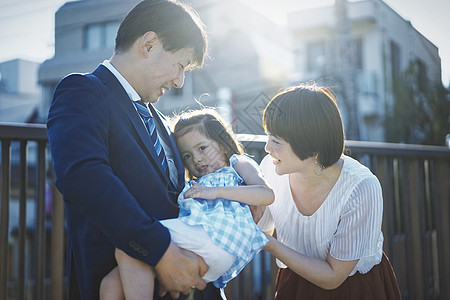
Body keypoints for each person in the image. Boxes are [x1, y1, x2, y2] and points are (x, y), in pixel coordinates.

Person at [46, 0, 219, 298]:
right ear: (149, 44)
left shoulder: (164, 122)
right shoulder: (82, 91)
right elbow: (83, 176)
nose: (179, 81)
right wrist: (160, 251)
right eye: (180, 64)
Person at [99, 108, 273, 300]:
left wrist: (214, 192)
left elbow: (266, 194)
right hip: (202, 248)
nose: (196, 159)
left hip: (217, 237)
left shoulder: (236, 164)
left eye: (202, 148)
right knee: (111, 285)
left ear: (222, 145)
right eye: (187, 156)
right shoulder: (195, 185)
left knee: (130, 245)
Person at [257, 83, 402, 299]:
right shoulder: (271, 167)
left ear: (313, 149)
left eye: (276, 141)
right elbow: (262, 227)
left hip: (352, 288)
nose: (267, 148)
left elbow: (333, 276)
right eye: (268, 136)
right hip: (294, 281)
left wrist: (268, 244)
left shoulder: (361, 187)